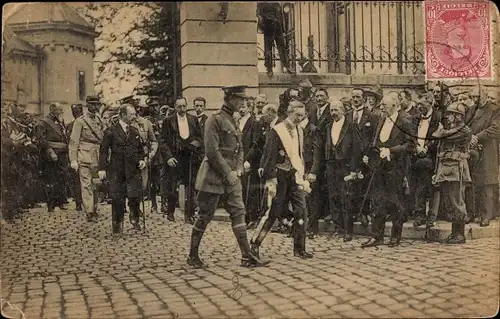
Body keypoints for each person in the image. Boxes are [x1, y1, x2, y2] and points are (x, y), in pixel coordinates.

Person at [187, 85, 268, 269]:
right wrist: (228, 172)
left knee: (239, 212)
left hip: (232, 177)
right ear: (230, 98)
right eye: (240, 99)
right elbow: (212, 151)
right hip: (213, 177)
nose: (242, 102)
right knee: (205, 215)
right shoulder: (214, 120)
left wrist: (238, 168)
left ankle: (247, 256)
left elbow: (239, 148)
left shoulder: (233, 120)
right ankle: (193, 255)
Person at [252, 100, 314, 259]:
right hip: (279, 176)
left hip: (294, 176)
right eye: (296, 115)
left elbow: (299, 154)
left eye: (302, 115)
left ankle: (299, 248)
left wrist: (302, 173)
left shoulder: (300, 130)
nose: (299, 118)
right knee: (273, 213)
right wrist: (270, 179)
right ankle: (255, 245)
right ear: (289, 113)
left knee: (301, 211)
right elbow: (269, 155)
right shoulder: (277, 130)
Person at [361, 92, 415, 248]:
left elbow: (410, 145)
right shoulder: (381, 119)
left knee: (395, 202)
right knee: (377, 201)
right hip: (379, 167)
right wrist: (369, 156)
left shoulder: (405, 120)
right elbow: (375, 141)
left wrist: (391, 151)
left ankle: (395, 237)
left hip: (396, 168)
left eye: (384, 105)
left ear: (394, 105)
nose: (381, 107)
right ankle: (376, 236)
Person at [309, 100, 361, 242]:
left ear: (343, 111)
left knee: (346, 198)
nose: (334, 113)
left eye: (336, 110)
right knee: (334, 197)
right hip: (331, 165)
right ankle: (339, 228)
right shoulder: (328, 126)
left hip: (345, 166)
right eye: (332, 110)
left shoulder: (351, 125)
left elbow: (356, 149)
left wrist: (354, 169)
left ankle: (348, 231)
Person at [98, 104, 147, 233]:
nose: (134, 116)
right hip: (117, 170)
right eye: (131, 114)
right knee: (117, 198)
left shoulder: (135, 132)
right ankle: (117, 224)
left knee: (135, 196)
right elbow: (103, 150)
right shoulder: (111, 131)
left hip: (132, 170)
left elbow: (140, 150)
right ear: (123, 115)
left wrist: (142, 160)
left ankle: (135, 220)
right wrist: (102, 168)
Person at [432, 102, 472, 243]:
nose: (448, 116)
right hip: (446, 168)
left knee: (456, 201)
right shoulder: (451, 129)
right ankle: (455, 233)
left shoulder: (464, 131)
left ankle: (460, 234)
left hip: (456, 169)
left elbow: (441, 136)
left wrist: (441, 132)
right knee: (449, 201)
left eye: (451, 114)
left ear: (458, 116)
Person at [161, 97, 203, 224]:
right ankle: (170, 212)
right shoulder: (168, 121)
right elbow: (162, 141)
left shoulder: (193, 119)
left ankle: (189, 215)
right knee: (173, 185)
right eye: (179, 106)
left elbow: (199, 138)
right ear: (175, 107)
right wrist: (168, 157)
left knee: (190, 185)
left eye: (184, 106)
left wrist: (193, 146)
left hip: (189, 158)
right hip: (175, 157)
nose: (182, 109)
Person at [35, 103, 70, 212]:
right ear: (53, 110)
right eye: (59, 110)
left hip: (62, 154)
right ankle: (51, 204)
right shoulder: (43, 123)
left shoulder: (60, 123)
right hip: (51, 155)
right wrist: (50, 152)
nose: (61, 112)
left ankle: (60, 202)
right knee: (51, 178)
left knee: (62, 178)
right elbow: (42, 140)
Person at [67, 104, 84, 212]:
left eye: (77, 111)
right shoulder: (69, 125)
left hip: (84, 154)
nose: (75, 113)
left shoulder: (85, 122)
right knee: (76, 180)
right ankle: (78, 202)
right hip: (75, 155)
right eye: (74, 111)